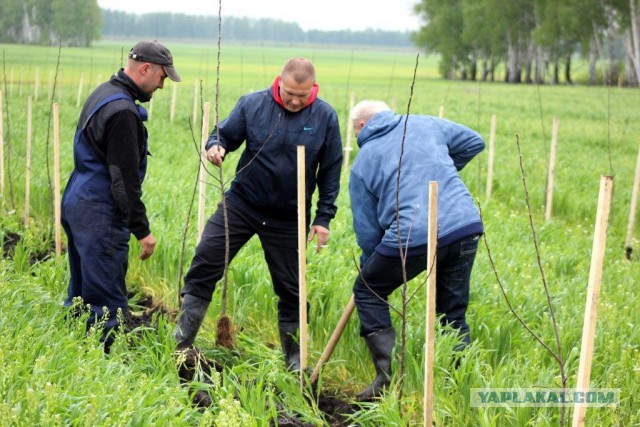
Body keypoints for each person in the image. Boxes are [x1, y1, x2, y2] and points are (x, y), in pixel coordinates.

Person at [174, 58, 343, 371]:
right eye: (289, 92)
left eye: (302, 96)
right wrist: (216, 147)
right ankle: (181, 344)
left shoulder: (324, 117)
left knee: (292, 289)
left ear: (313, 90)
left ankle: (295, 363)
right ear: (279, 81)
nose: (294, 100)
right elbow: (222, 134)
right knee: (205, 263)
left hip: (289, 217)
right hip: (242, 204)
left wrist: (323, 218)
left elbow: (331, 172)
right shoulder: (253, 105)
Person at [348, 100, 485, 400]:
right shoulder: (426, 122)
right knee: (453, 312)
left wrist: (369, 268)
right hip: (465, 226)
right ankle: (458, 389)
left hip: (412, 236)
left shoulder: (362, 162)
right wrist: (437, 169)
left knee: (369, 289)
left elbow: (369, 233)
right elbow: (475, 142)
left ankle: (386, 381)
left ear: (360, 126)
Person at [61, 40, 181, 351]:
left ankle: (72, 347)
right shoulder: (124, 112)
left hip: (77, 199)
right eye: (162, 78)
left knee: (81, 287)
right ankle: (106, 361)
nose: (162, 86)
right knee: (106, 297)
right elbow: (123, 182)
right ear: (146, 69)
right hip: (99, 209)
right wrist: (142, 229)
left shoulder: (104, 93)